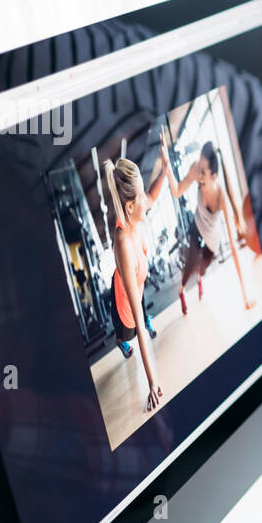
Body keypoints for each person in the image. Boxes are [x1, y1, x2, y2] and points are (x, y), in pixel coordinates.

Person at [103, 157, 168, 414]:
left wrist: (164, 168)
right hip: (124, 308)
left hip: (135, 286)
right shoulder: (124, 243)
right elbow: (139, 323)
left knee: (140, 309)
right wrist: (152, 383)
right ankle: (120, 340)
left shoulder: (135, 215)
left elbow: (153, 194)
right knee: (128, 333)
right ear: (130, 206)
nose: (146, 201)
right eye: (140, 197)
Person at [162, 141, 255, 314]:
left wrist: (245, 295)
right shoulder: (196, 170)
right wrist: (167, 166)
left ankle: (200, 279)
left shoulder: (222, 198)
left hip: (213, 236)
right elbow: (176, 191)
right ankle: (181, 291)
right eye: (199, 168)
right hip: (197, 225)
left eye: (203, 172)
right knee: (190, 262)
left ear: (214, 176)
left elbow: (234, 249)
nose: (199, 175)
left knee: (203, 266)